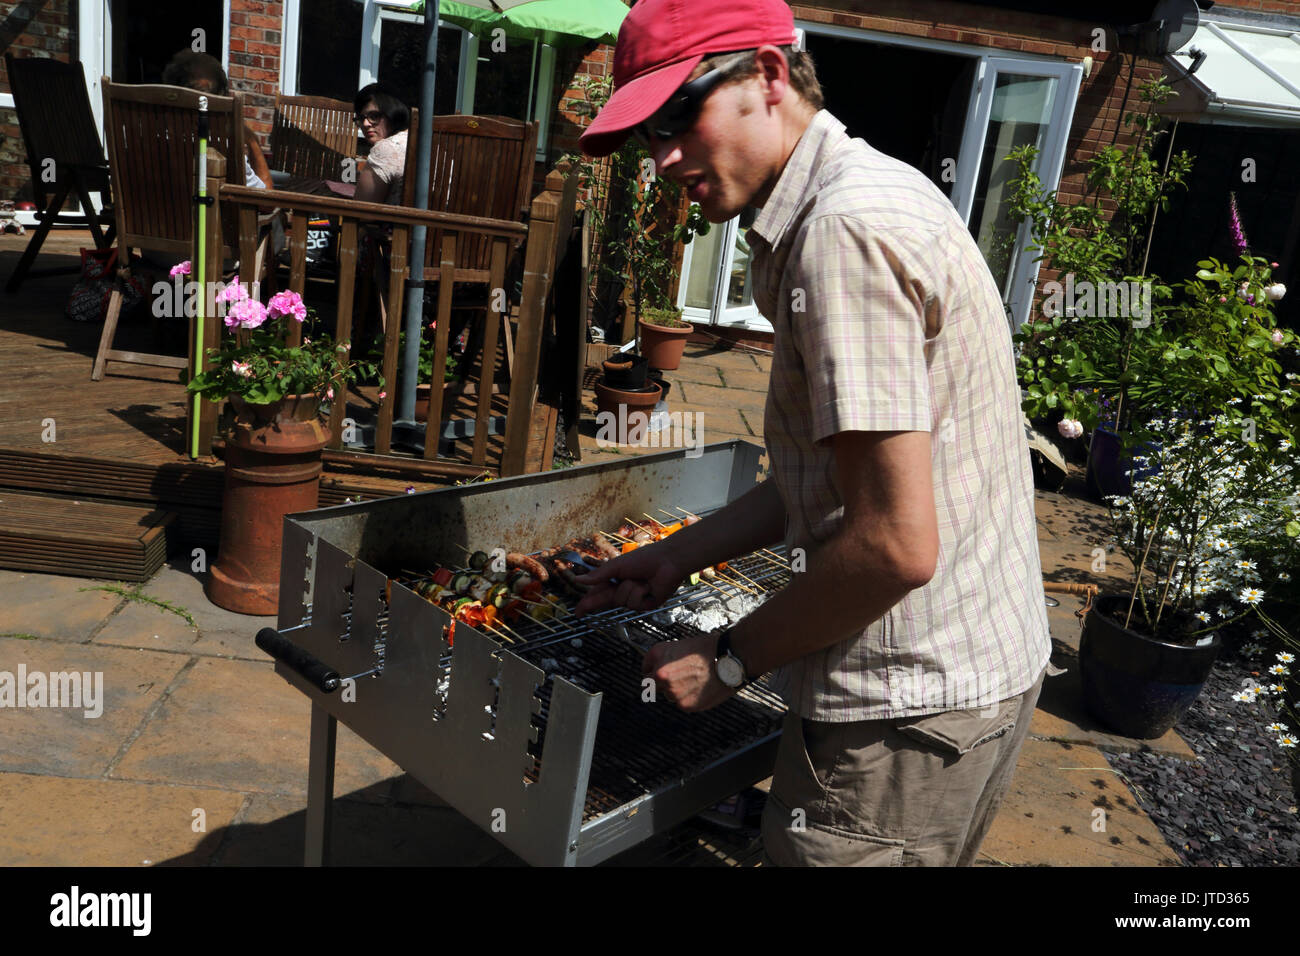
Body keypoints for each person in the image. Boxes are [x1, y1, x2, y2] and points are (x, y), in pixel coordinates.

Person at [575, 0, 1051, 867]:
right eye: (648, 133)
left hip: (900, 713)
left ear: (766, 73)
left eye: (681, 113)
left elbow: (896, 546)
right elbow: (829, 483)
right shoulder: (849, 197)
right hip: (960, 681)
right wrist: (678, 554)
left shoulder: (841, 234)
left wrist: (725, 662)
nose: (664, 157)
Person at [161, 51, 272, 192]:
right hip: (207, 214)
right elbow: (266, 201)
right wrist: (252, 141)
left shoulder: (142, 137)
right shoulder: (221, 150)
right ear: (218, 101)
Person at [352, 83, 409, 206]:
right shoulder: (424, 142)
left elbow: (361, 211)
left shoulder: (386, 148)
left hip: (393, 225)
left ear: (393, 113)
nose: (366, 124)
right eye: (361, 118)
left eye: (374, 116)